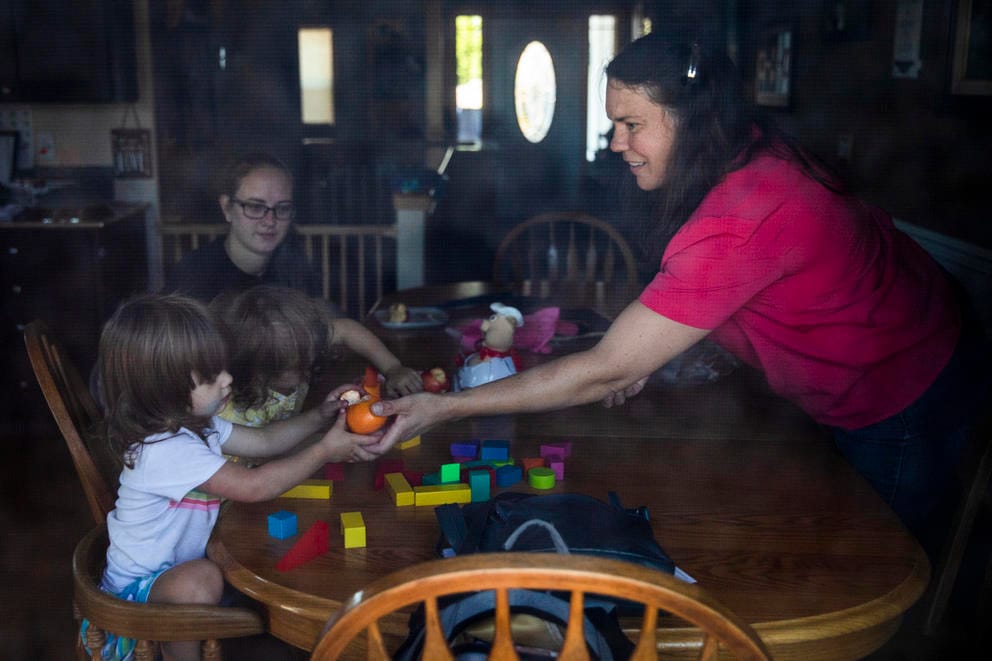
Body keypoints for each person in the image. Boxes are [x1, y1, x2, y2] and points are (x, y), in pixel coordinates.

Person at [370, 28, 991, 538]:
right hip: (905, 344)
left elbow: (606, 369)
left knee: (880, 570)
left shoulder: (744, 214)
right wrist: (650, 353)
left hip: (908, 385)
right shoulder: (742, 151)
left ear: (695, 123)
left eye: (632, 124)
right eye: (614, 123)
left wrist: (445, 408)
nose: (616, 143)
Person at [89, 293, 385, 661]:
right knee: (201, 581)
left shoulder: (197, 424)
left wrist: (319, 416)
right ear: (164, 388)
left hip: (167, 579)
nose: (228, 378)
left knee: (215, 571)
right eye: (211, 375)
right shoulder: (164, 450)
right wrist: (325, 450)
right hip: (136, 601)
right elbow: (254, 486)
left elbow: (264, 441)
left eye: (223, 367)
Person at [211, 284, 422, 433]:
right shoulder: (231, 411)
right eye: (300, 365)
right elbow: (268, 450)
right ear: (261, 370)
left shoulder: (297, 337)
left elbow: (347, 329)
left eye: (311, 353)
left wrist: (392, 368)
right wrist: (326, 444)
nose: (310, 364)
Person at [163, 152, 321, 303]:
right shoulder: (193, 278)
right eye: (255, 207)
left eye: (282, 208)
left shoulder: (296, 268)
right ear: (226, 207)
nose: (270, 221)